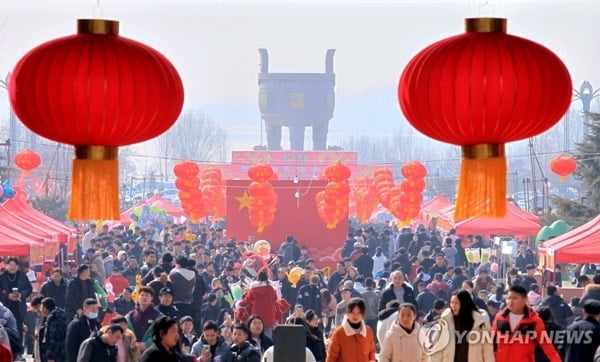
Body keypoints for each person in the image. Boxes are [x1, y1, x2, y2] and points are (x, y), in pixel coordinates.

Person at [492, 285, 560, 362]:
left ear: (524, 300)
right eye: (508, 298)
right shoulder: (499, 318)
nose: (510, 301)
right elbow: (491, 344)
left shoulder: (534, 321)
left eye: (514, 298)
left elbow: (547, 347)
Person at [428, 290, 493, 362]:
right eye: (452, 302)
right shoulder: (446, 320)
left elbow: (487, 350)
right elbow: (437, 349)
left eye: (456, 303)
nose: (453, 306)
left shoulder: (479, 321)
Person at [0, 256, 33, 358]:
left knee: (18, 329)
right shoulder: (1, 277)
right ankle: (6, 351)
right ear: (6, 265)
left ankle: (18, 352)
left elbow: (29, 288)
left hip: (19, 307)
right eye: (10, 265)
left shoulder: (22, 276)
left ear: (18, 266)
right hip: (5, 308)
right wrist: (6, 296)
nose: (12, 267)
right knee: (5, 329)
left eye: (14, 265)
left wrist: (21, 295)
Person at [326, 298, 376, 362]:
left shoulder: (368, 331)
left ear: (363, 314)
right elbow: (331, 357)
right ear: (347, 313)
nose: (355, 316)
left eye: (359, 313)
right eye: (352, 312)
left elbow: (372, 352)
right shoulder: (339, 333)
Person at [238, 269, 277, 337]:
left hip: (256, 316)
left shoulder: (253, 289)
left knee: (255, 335)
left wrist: (239, 303)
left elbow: (246, 301)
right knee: (268, 337)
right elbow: (275, 299)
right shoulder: (270, 288)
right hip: (269, 315)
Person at [126, 286, 162, 351]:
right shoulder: (130, 315)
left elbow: (161, 334)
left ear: (151, 298)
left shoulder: (158, 316)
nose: (144, 297)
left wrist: (147, 344)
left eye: (147, 295)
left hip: (150, 351)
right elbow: (125, 330)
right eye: (142, 295)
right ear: (138, 297)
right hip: (132, 351)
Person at [38, 297, 68, 362]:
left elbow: (53, 339)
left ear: (45, 308)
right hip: (63, 352)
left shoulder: (54, 319)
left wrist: (51, 356)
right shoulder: (61, 315)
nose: (41, 310)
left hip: (57, 355)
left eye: (41, 307)